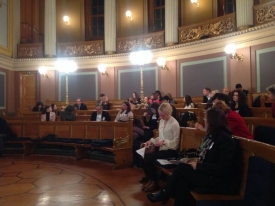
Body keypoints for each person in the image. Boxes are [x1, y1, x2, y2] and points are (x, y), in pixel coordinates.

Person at [147, 107, 239, 205]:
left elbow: (222, 167)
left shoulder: (225, 139)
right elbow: (204, 154)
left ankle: (165, 193)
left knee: (182, 169)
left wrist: (198, 166)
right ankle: (165, 193)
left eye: (205, 119)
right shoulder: (211, 135)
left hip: (219, 180)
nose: (204, 122)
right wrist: (193, 160)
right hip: (208, 174)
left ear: (212, 122)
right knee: (181, 181)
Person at [139, 103, 180, 192]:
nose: (161, 117)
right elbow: (160, 137)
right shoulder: (161, 121)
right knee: (142, 154)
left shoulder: (175, 124)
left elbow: (176, 143)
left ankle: (154, 182)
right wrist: (151, 141)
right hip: (161, 147)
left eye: (163, 115)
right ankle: (150, 178)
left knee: (149, 159)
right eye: (160, 115)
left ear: (168, 112)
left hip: (170, 150)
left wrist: (164, 142)